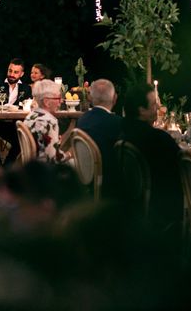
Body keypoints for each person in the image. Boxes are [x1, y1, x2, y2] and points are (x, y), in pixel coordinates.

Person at [120, 83, 183, 238]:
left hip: (128, 201)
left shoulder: (120, 132)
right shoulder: (157, 139)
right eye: (154, 104)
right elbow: (181, 162)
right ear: (141, 110)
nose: (158, 108)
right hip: (158, 206)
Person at [0, 58, 32, 167]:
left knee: (21, 140)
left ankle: (6, 168)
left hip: (12, 124)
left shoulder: (26, 89)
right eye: (10, 71)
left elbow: (27, 105)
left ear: (21, 74)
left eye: (16, 72)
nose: (12, 74)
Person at [76, 79, 122, 197]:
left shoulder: (82, 120)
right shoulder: (117, 123)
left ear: (91, 98)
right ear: (114, 98)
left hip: (85, 177)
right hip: (108, 181)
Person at [24, 79, 69, 163]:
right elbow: (53, 159)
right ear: (46, 102)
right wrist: (70, 154)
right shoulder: (49, 121)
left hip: (29, 167)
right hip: (45, 171)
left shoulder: (30, 116)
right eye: (58, 98)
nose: (60, 102)